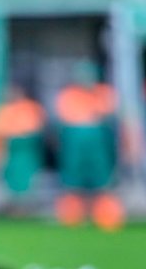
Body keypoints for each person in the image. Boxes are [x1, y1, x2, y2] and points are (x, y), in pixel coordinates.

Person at [53, 61, 124, 231]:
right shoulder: (68, 95)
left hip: (99, 145)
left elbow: (108, 113)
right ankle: (71, 218)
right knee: (72, 183)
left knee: (103, 183)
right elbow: (65, 119)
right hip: (75, 144)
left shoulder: (104, 92)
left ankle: (106, 218)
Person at [0, 85, 46, 208]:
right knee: (12, 174)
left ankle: (27, 201)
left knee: (26, 172)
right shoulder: (5, 110)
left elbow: (34, 127)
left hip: (25, 146)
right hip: (12, 147)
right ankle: (14, 201)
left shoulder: (29, 108)